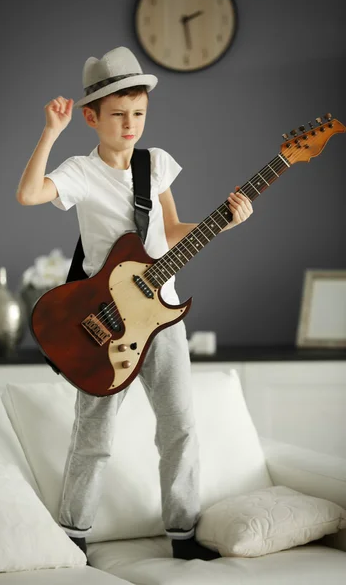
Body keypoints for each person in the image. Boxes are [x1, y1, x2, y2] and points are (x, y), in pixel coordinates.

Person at [16, 46, 253, 562]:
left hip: (162, 316)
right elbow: (29, 194)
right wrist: (50, 132)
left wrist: (226, 222)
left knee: (180, 427)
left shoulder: (157, 164)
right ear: (91, 117)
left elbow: (170, 232)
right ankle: (72, 536)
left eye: (139, 114)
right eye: (118, 115)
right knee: (94, 433)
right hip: (103, 323)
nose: (130, 125)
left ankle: (184, 538)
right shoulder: (80, 170)